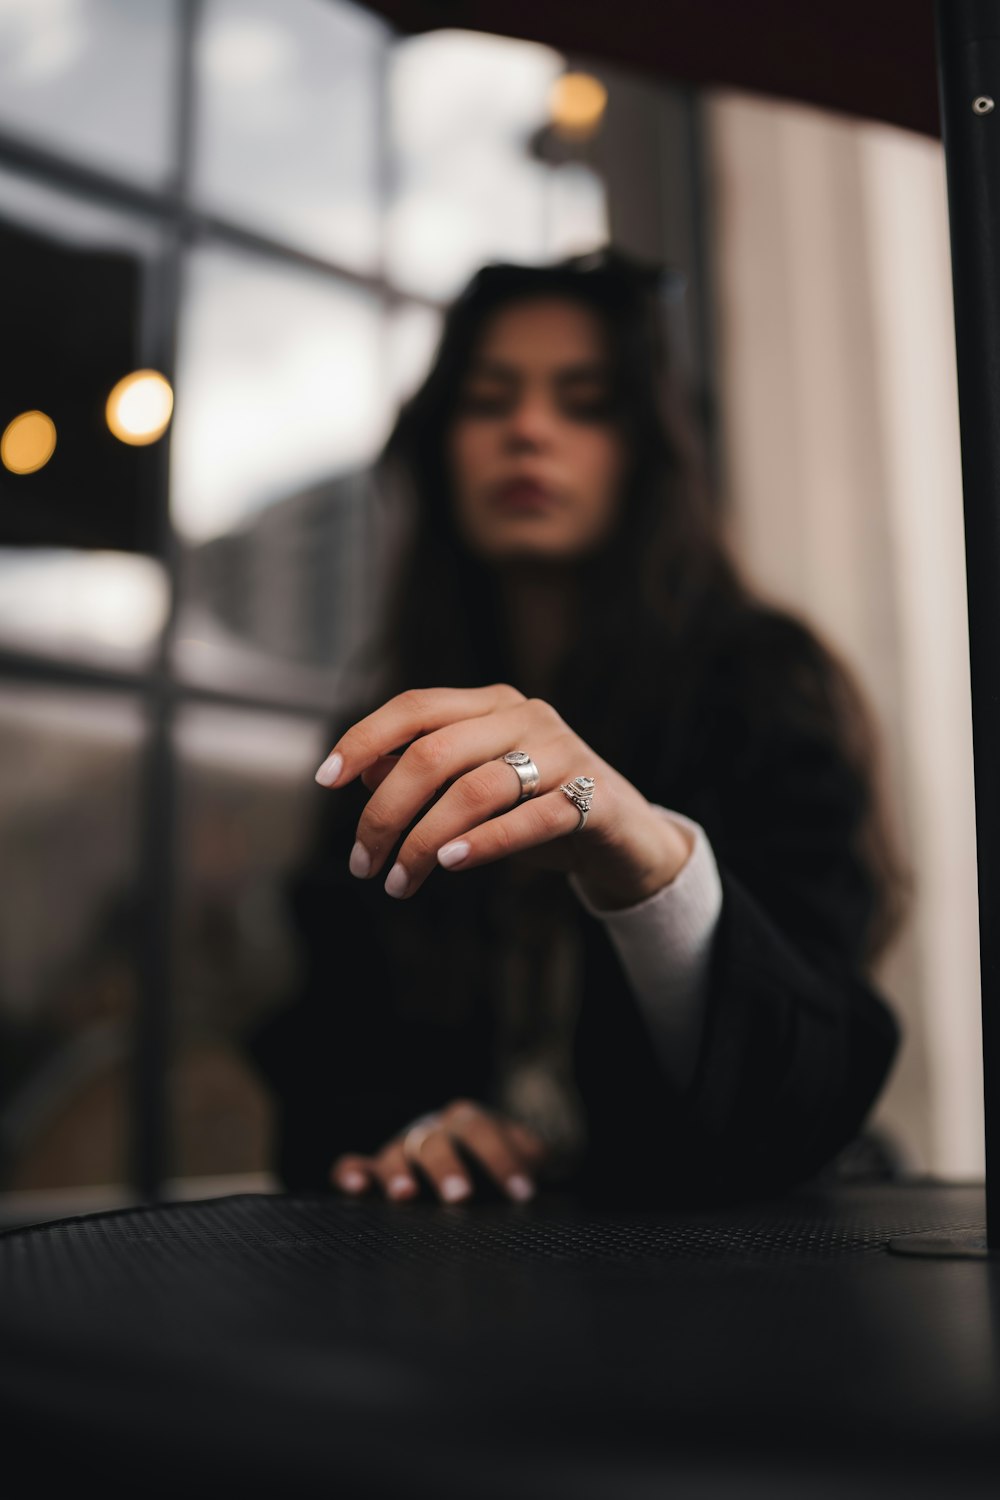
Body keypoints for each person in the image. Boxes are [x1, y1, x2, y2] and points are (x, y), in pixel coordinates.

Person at [246, 247, 910, 1210]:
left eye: (585, 401)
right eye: (488, 399)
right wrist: (416, 1134)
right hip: (469, 1293)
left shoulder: (764, 684)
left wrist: (651, 864)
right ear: (441, 444)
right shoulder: (390, 725)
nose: (528, 429)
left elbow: (814, 1065)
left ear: (642, 447)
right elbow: (323, 1053)